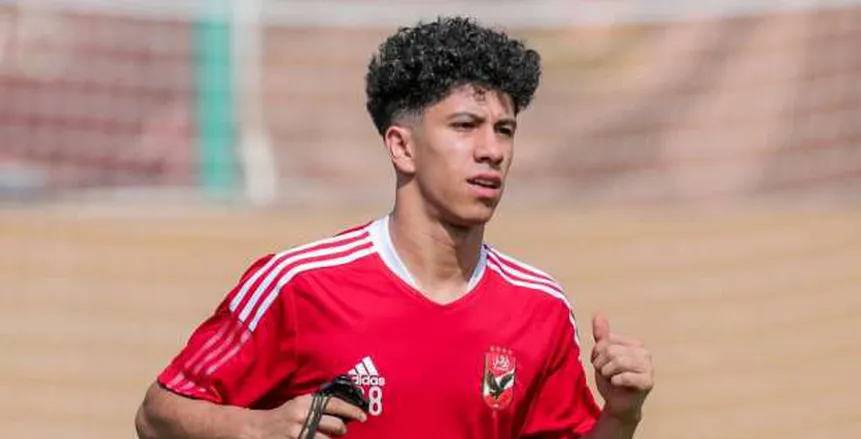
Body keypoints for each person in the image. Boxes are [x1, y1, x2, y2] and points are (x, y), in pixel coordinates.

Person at [135, 16, 654, 439]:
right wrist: (257, 429)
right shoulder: (298, 283)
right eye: (465, 126)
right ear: (402, 147)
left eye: (504, 130)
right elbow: (157, 415)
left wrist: (621, 415)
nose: (492, 150)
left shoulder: (539, 305)